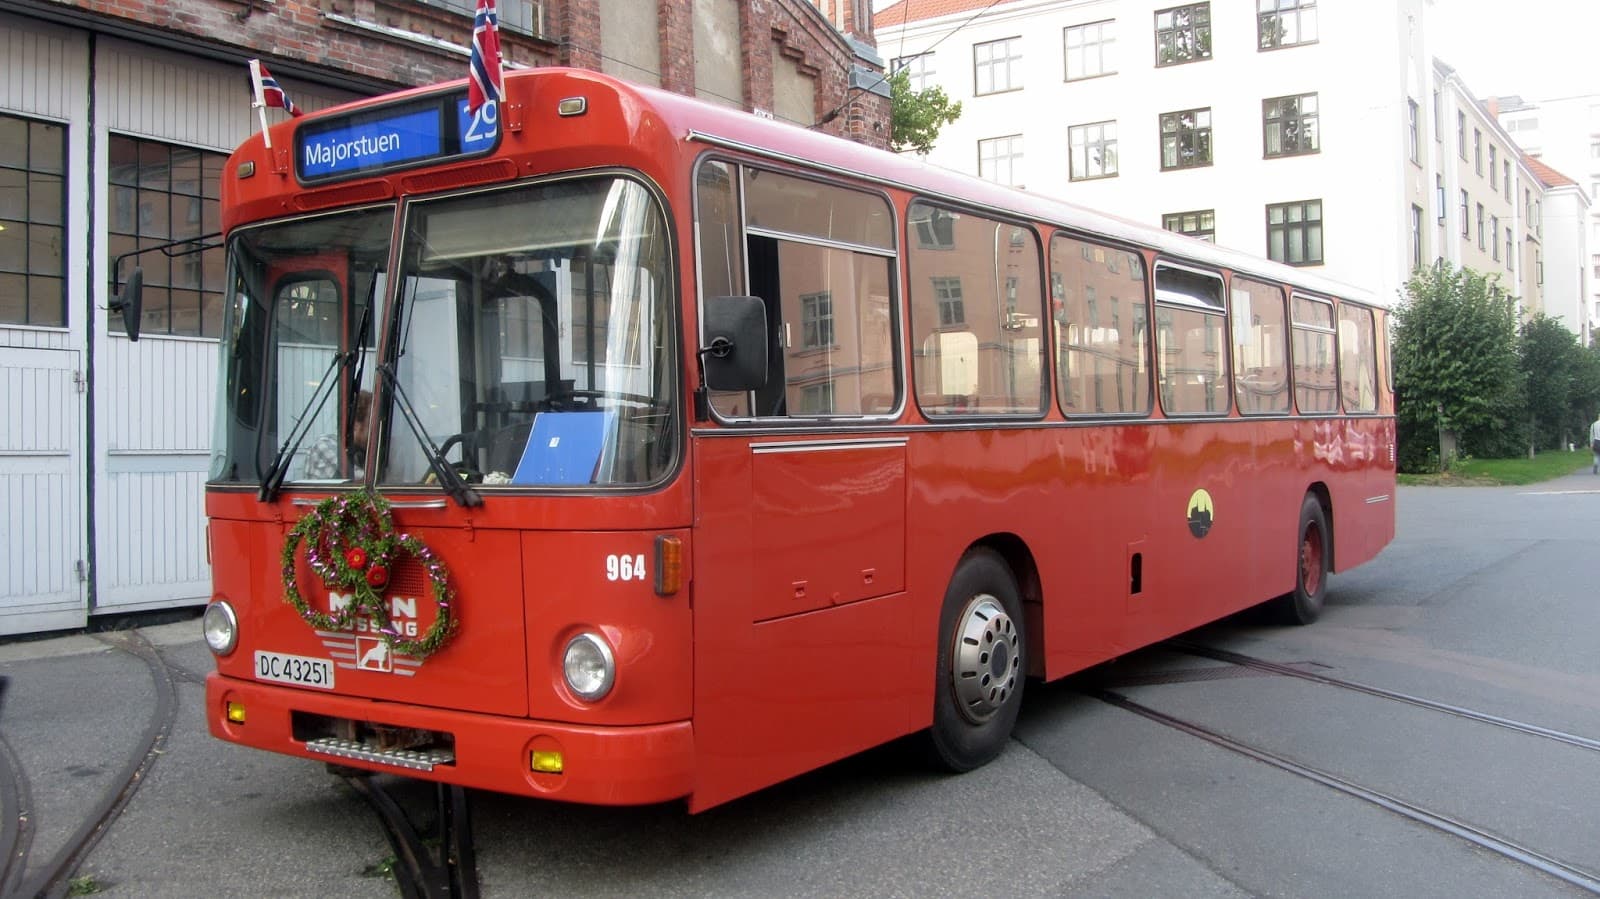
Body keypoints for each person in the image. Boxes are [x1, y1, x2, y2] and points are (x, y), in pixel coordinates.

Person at [303, 389, 371, 479]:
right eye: (373, 423)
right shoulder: (324, 445)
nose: (378, 431)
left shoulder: (361, 453)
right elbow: (362, 482)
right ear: (355, 425)